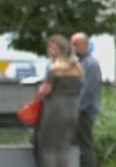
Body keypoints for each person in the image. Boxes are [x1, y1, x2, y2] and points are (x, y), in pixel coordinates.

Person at [36, 34, 84, 167]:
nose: (50, 51)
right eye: (49, 48)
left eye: (53, 48)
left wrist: (39, 89)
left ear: (61, 50)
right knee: (63, 148)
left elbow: (45, 90)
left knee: (48, 148)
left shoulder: (55, 69)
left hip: (55, 110)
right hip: (73, 110)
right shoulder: (77, 69)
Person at [71, 32, 102, 167]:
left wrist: (76, 109)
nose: (73, 47)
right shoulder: (80, 63)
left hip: (84, 112)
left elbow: (88, 91)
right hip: (78, 111)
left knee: (85, 145)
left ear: (85, 45)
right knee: (78, 145)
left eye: (75, 44)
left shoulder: (91, 64)